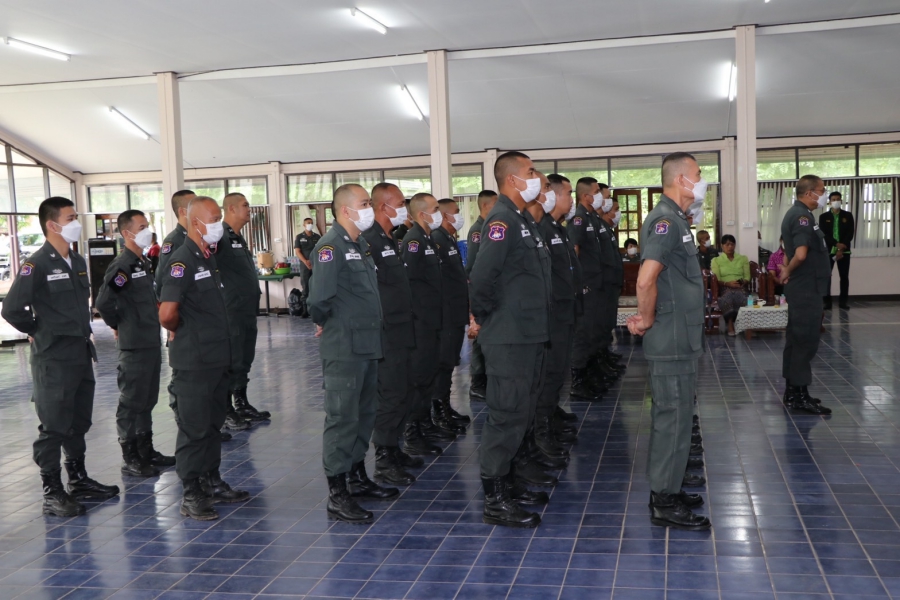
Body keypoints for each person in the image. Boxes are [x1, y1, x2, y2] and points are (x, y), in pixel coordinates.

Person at [2, 197, 120, 517]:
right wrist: (38, 330)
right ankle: (52, 491)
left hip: (80, 353)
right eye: (70, 218)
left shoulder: (77, 260)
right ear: (52, 225)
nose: (76, 223)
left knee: (78, 421)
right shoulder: (37, 264)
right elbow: (12, 309)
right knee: (54, 425)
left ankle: (78, 480)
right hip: (53, 358)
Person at [626, 152, 710, 531]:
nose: (702, 180)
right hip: (671, 336)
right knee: (671, 419)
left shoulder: (677, 218)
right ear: (680, 179)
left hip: (681, 335)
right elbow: (646, 280)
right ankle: (663, 500)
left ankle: (669, 488)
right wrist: (645, 318)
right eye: (698, 174)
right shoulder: (665, 221)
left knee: (678, 416)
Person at [469, 151, 553, 528]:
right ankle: (495, 498)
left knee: (521, 411)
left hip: (527, 333)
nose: (536, 177)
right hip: (509, 335)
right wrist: (490, 319)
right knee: (505, 415)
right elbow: (481, 278)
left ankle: (511, 480)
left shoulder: (521, 219)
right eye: (530, 171)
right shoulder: (501, 220)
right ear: (512, 180)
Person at [308, 184, 397, 524]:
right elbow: (319, 299)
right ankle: (338, 493)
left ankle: (357, 476)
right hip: (345, 346)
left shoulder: (359, 244)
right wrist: (326, 323)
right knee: (342, 417)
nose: (369, 208)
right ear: (345, 210)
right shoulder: (330, 247)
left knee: (364, 413)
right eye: (364, 203)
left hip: (367, 343)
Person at [158, 196, 250, 520]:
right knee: (194, 429)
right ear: (195, 223)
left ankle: (211, 480)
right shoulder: (182, 260)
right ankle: (191, 492)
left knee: (212, 425)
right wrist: (183, 332)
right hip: (194, 360)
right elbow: (167, 313)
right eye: (213, 219)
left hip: (216, 357)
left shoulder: (207, 257)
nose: (218, 224)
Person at [96, 209, 174, 478]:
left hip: (149, 340)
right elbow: (104, 302)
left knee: (147, 399)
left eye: (147, 225)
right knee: (131, 402)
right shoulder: (123, 266)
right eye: (141, 227)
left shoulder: (142, 262)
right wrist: (117, 325)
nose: (147, 231)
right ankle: (130, 457)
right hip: (134, 344)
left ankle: (146, 450)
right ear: (127, 233)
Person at [361, 182, 422, 486]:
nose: (403, 210)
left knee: (404, 391)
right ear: (383, 206)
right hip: (386, 333)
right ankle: (384, 458)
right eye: (399, 204)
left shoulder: (390, 238)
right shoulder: (369, 240)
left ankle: (394, 448)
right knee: (390, 394)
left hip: (402, 329)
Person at [401, 193, 456, 452]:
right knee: (419, 377)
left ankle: (425, 423)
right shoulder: (413, 241)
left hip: (433, 319)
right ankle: (412, 432)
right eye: (435, 209)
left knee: (429, 375)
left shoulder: (428, 239)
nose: (439, 214)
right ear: (422, 214)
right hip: (421, 321)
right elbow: (409, 282)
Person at [534, 174, 581, 460]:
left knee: (558, 371)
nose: (571, 199)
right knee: (549, 374)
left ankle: (550, 417)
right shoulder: (541, 229)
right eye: (568, 193)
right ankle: (541, 430)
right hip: (552, 313)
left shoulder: (556, 228)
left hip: (565, 310)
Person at [778, 175, 833, 416]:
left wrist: (787, 269)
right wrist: (787, 271)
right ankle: (800, 396)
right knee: (805, 341)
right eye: (822, 190)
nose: (824, 195)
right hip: (806, 289)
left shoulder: (799, 214)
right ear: (809, 193)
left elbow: (789, 250)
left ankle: (793, 392)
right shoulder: (802, 217)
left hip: (804, 287)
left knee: (796, 340)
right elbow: (800, 254)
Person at [217, 193, 271, 427]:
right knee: (232, 359)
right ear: (231, 208)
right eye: (245, 205)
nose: (249, 209)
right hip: (232, 310)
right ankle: (226, 409)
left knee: (244, 358)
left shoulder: (237, 237)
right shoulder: (219, 236)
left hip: (246, 310)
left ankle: (241, 403)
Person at [567, 177, 608, 401]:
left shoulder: (591, 217)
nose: (600, 195)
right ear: (585, 196)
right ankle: (578, 382)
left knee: (593, 330)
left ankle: (591, 373)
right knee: (583, 333)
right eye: (596, 191)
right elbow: (575, 250)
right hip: (586, 285)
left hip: (596, 283)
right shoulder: (579, 218)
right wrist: (578, 282)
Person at [432, 198, 472, 430]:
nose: (459, 216)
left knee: (449, 363)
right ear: (446, 215)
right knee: (443, 363)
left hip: (455, 312)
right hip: (446, 314)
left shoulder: (448, 238)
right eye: (456, 212)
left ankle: (446, 406)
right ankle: (439, 411)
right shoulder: (437, 239)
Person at [465, 189, 498, 402]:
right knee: (479, 337)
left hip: (490, 291)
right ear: (485, 206)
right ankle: (477, 383)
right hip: (480, 291)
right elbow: (475, 266)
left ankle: (485, 379)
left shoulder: (490, 227)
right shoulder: (478, 230)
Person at [819, 191, 854, 310]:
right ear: (829, 202)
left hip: (844, 250)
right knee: (827, 276)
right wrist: (836, 244)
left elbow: (850, 233)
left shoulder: (848, 215)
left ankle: (843, 302)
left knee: (844, 276)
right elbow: (823, 234)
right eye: (833, 199)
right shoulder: (823, 217)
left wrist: (841, 247)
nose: (836, 201)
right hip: (828, 250)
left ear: (841, 201)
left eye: (838, 199)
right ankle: (827, 302)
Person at [155, 189, 196, 291]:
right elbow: (162, 279)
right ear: (182, 212)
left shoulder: (197, 237)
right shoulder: (173, 241)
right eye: (194, 207)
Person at [710, 234, 750, 337]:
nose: (730, 247)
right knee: (728, 295)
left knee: (740, 295)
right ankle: (730, 322)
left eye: (732, 244)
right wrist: (728, 283)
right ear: (722, 246)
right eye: (727, 244)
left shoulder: (742, 259)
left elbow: (747, 277)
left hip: (740, 286)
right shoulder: (716, 260)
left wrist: (740, 283)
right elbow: (716, 279)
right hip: (724, 287)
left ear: (735, 245)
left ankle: (741, 323)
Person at [293, 217, 321, 318]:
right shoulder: (299, 237)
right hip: (304, 265)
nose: (310, 224)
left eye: (311, 223)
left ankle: (316, 310)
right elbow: (297, 251)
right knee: (305, 287)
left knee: (317, 286)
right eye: (308, 223)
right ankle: (305, 310)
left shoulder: (317, 237)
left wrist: (313, 262)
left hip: (316, 264)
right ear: (304, 225)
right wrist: (305, 261)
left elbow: (320, 250)